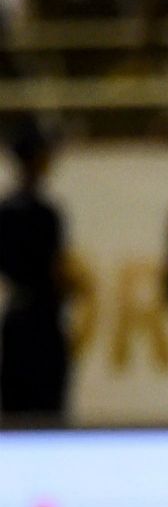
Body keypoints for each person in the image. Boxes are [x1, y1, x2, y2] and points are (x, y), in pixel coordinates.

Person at [0, 124, 93, 423]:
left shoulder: (5, 211)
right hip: (43, 320)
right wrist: (77, 285)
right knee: (48, 412)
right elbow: (56, 270)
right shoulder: (46, 213)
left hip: (17, 318)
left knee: (16, 411)